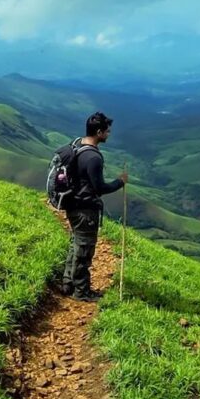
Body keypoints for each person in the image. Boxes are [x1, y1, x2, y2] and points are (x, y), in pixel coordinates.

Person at [61, 111, 128, 301]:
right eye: (107, 131)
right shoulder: (94, 158)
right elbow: (99, 188)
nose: (108, 134)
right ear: (99, 132)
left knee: (76, 245)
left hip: (72, 204)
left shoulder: (78, 146)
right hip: (85, 209)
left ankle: (68, 283)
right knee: (84, 250)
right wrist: (120, 182)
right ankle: (81, 291)